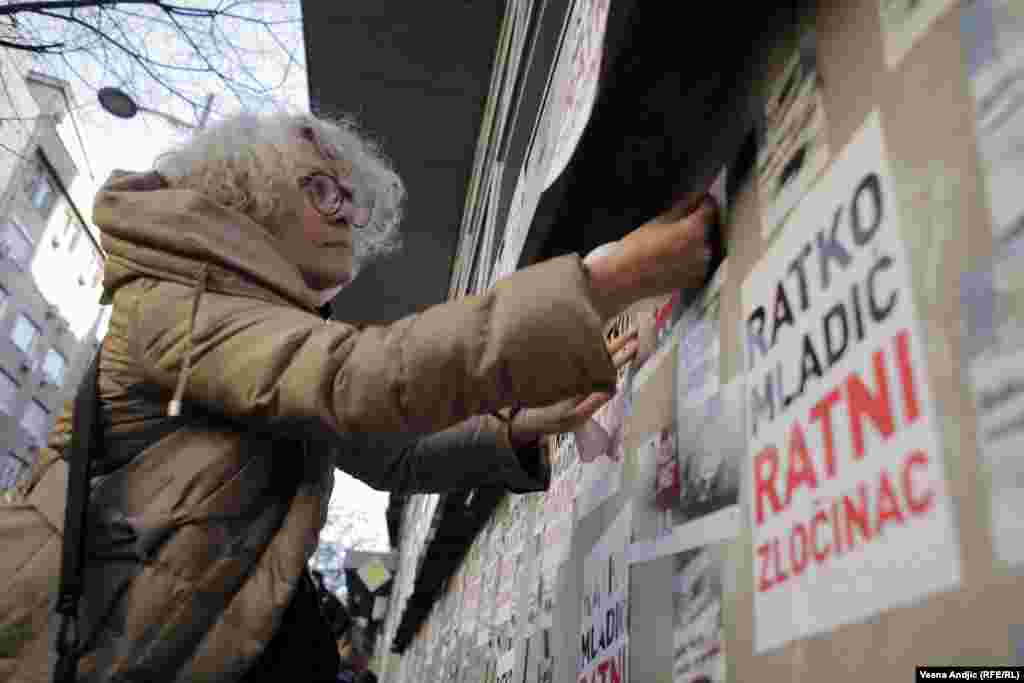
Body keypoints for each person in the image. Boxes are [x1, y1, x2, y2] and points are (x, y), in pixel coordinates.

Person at [8, 111, 716, 682]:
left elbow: (389, 456)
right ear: (248, 187)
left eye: (353, 201)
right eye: (322, 189)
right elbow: (360, 380)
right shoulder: (178, 303)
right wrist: (598, 287)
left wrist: (514, 430)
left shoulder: (245, 315)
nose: (346, 214)